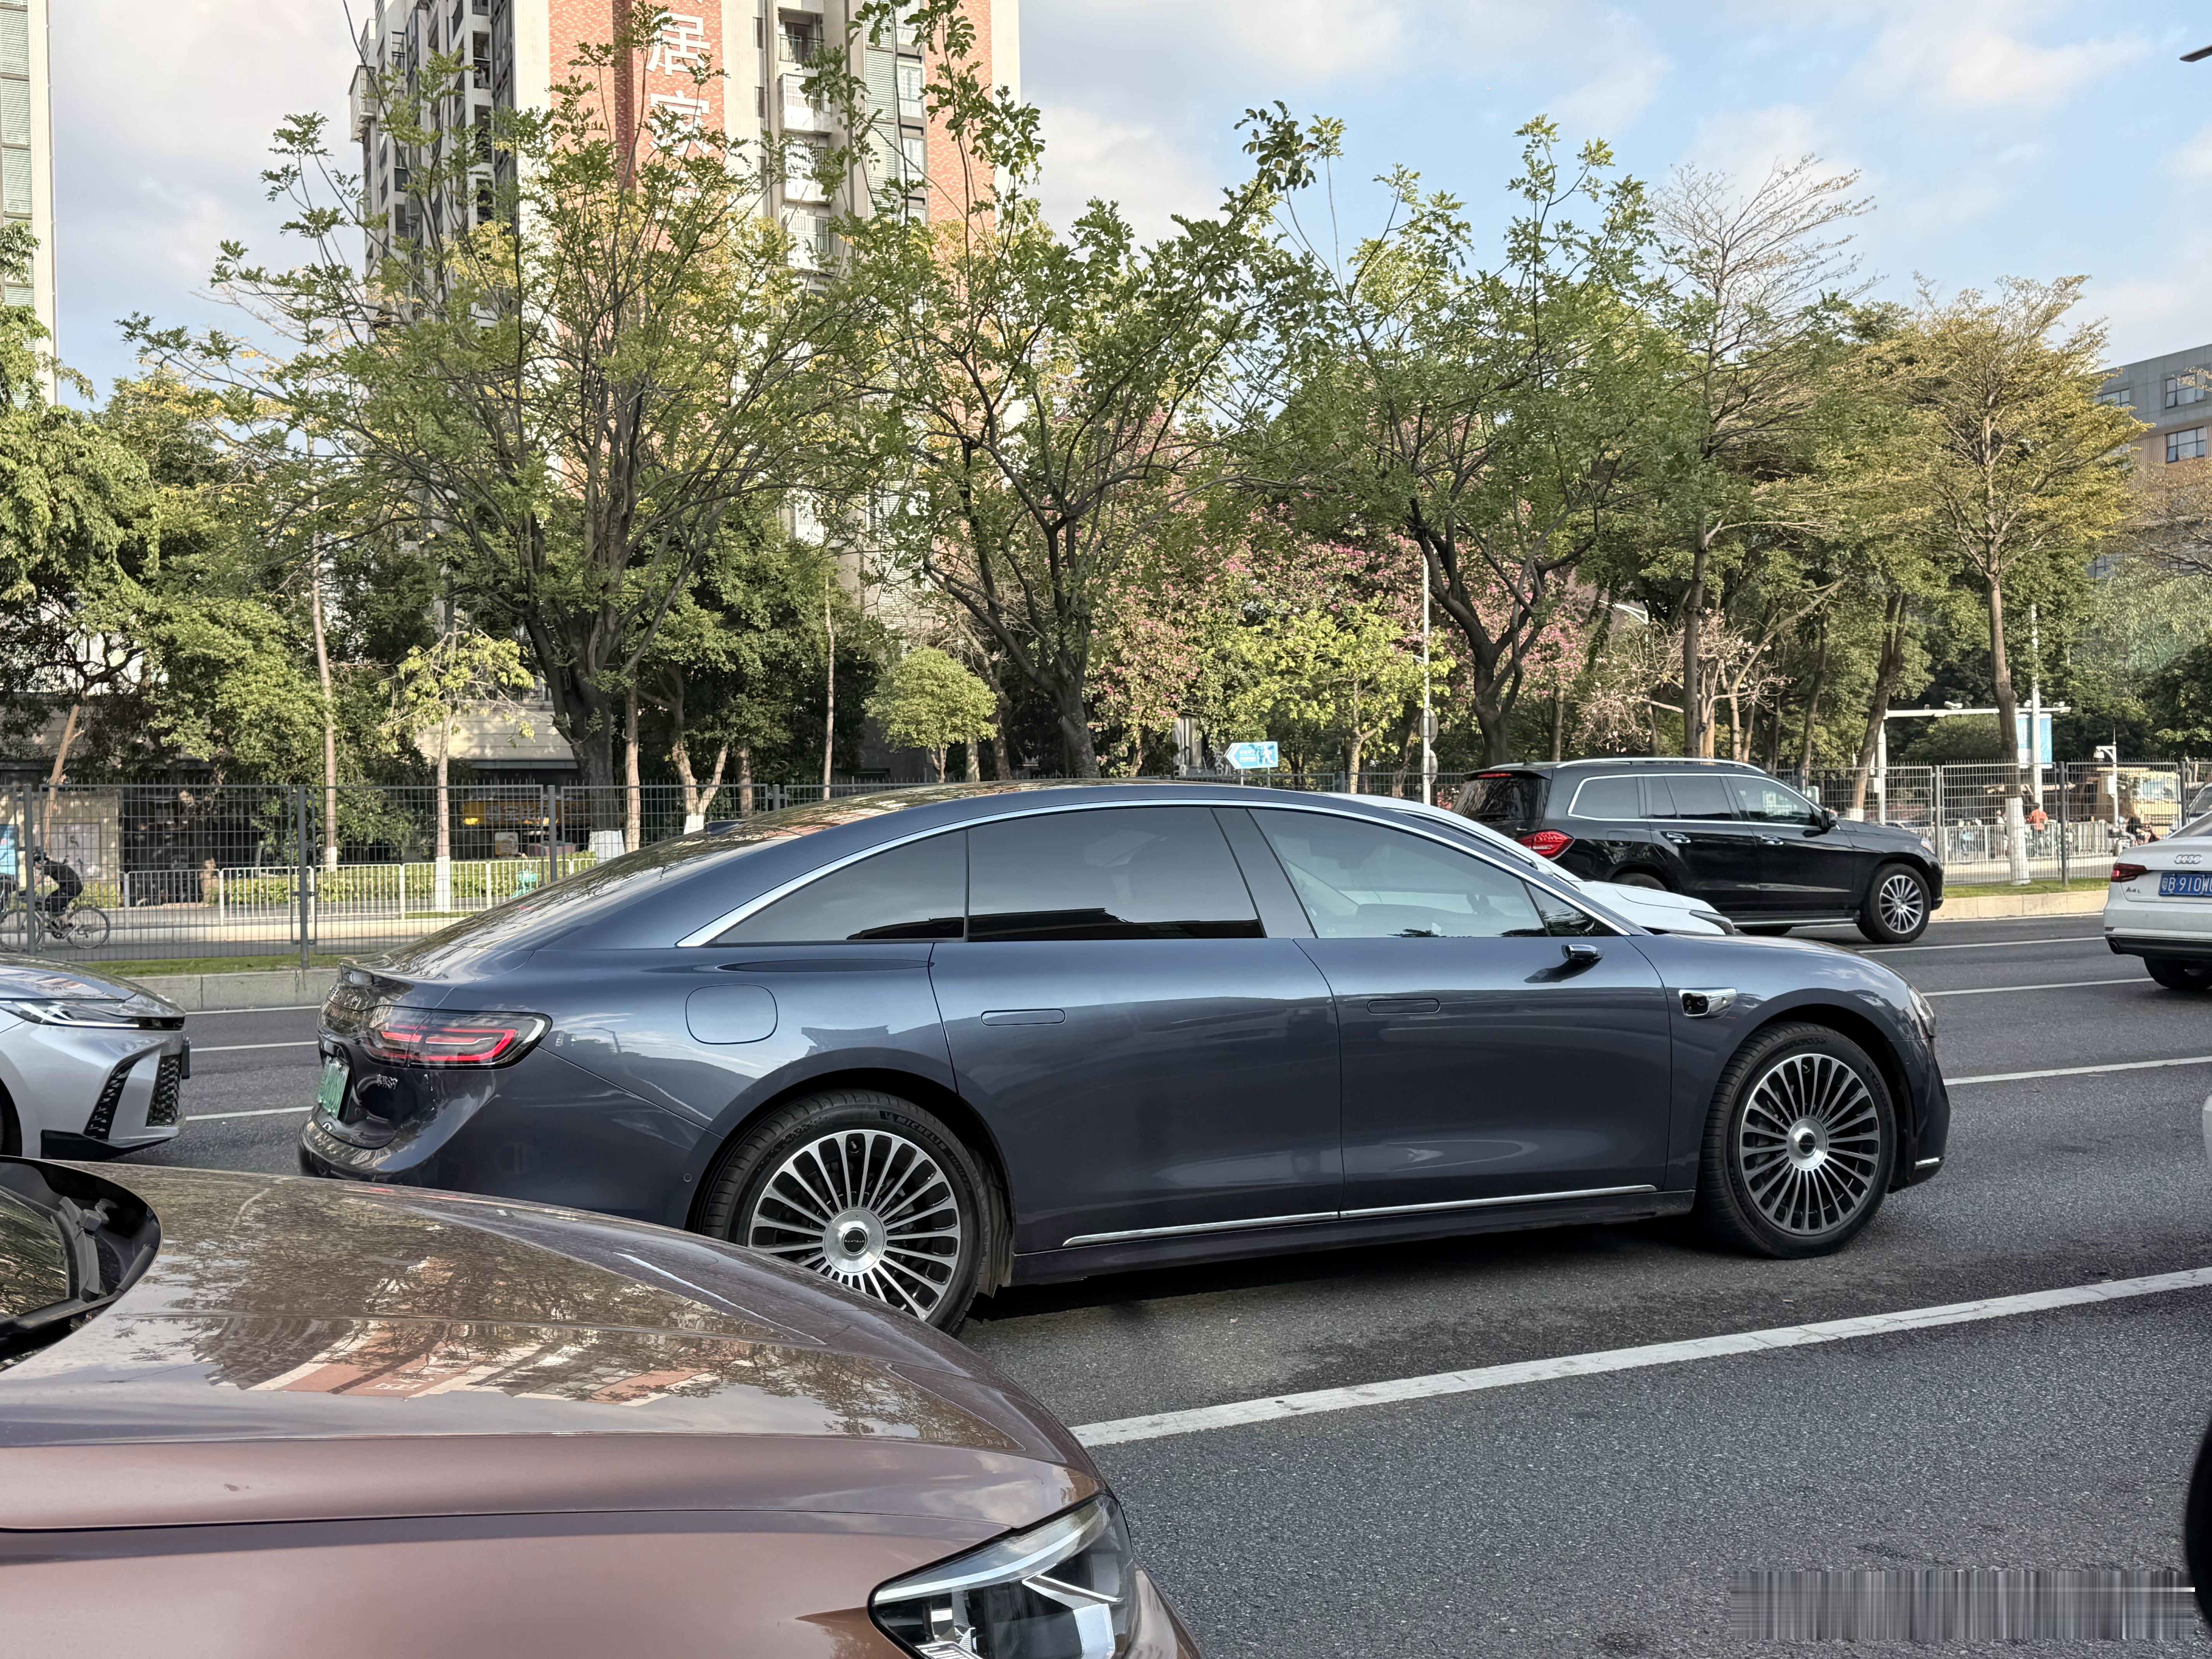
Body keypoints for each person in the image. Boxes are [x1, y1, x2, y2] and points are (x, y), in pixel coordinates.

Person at [31, 850, 81, 919]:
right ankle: (54, 923)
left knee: (56, 905)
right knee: (49, 901)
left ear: (40, 862)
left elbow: (38, 880)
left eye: (35, 864)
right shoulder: (51, 865)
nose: (35, 867)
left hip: (73, 887)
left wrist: (28, 890)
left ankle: (67, 924)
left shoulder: (49, 866)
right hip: (68, 887)